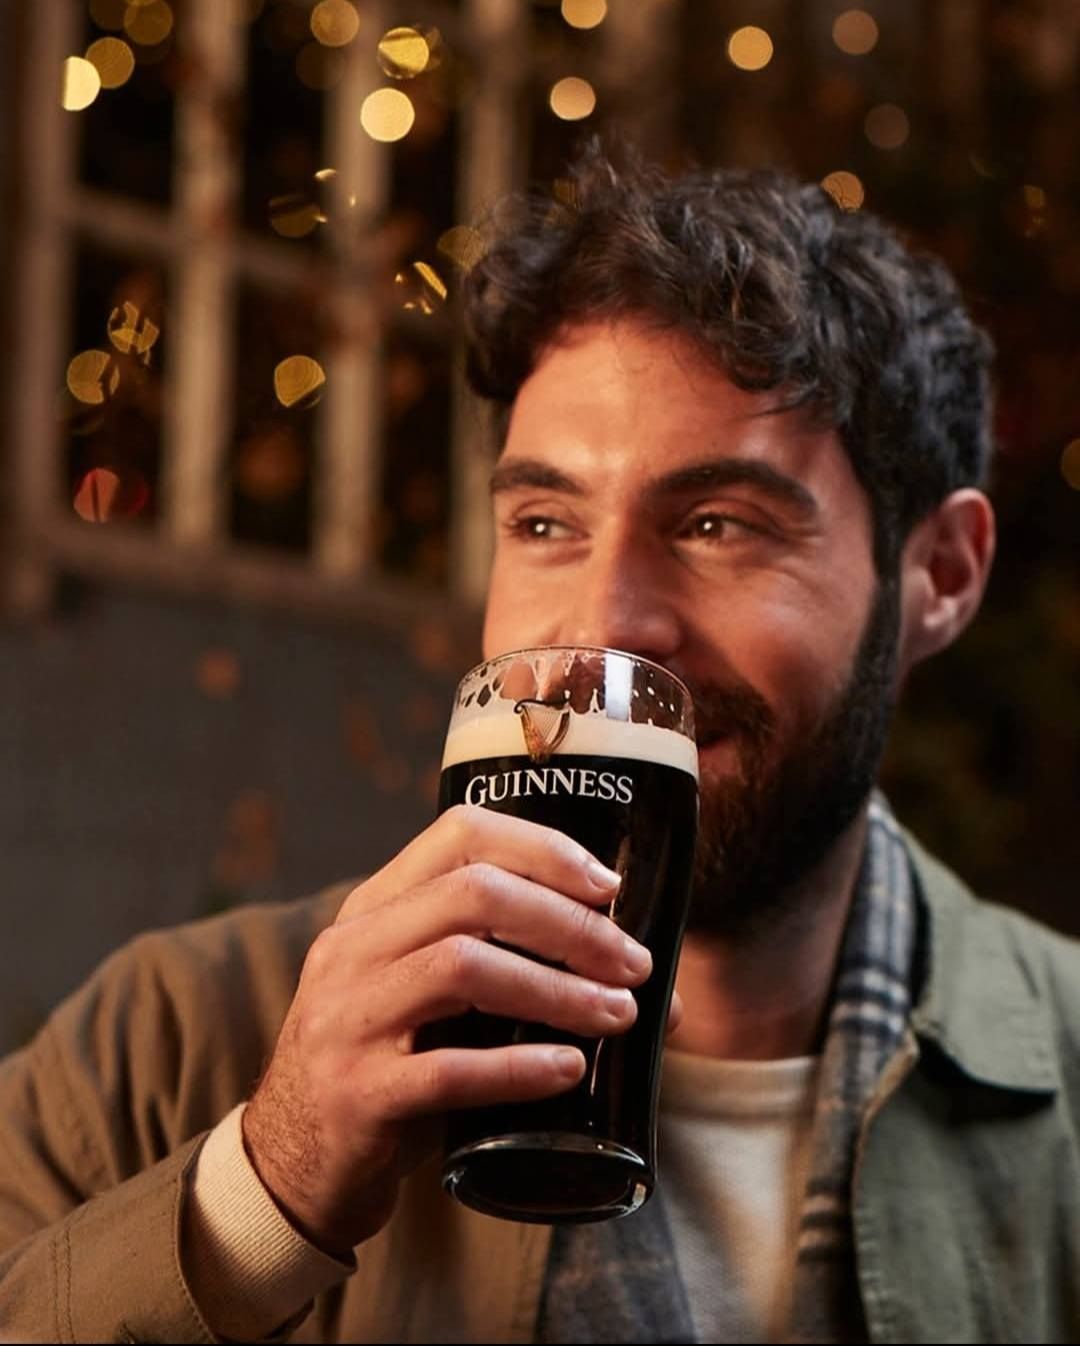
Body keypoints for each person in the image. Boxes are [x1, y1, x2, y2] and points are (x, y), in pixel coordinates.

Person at [2, 141, 1079, 1345]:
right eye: (545, 522)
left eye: (718, 523)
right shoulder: (167, 1036)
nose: (604, 624)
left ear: (941, 573)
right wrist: (264, 1192)